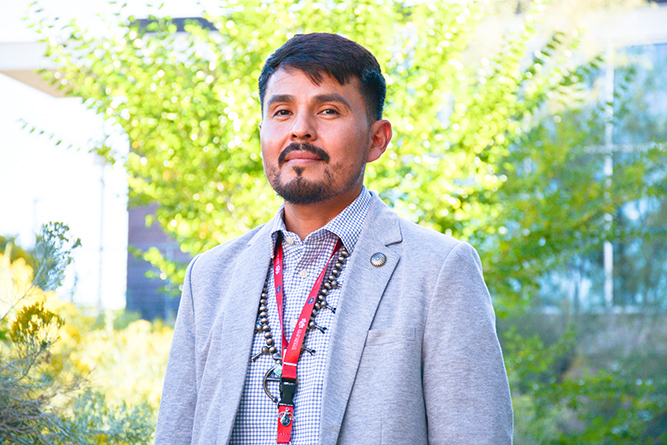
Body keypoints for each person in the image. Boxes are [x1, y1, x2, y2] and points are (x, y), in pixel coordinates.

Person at [155, 32, 513, 444]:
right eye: (282, 112)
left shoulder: (438, 269)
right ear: (262, 132)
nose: (300, 131)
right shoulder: (211, 276)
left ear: (376, 139)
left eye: (327, 111)